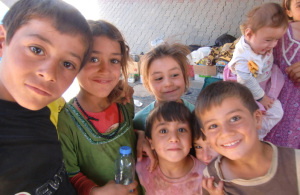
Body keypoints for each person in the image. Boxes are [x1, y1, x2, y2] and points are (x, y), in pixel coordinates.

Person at [0, 0, 92, 194]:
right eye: (36, 49)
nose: (50, 74)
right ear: (2, 41)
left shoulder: (51, 105)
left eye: (67, 64)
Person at [57, 20, 156, 195]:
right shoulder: (66, 120)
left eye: (114, 60)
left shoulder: (124, 102)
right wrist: (95, 191)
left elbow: (126, 136)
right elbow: (71, 173)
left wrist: (138, 134)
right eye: (93, 59)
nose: (105, 70)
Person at [195, 81, 300, 195]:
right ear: (205, 134)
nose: (225, 133)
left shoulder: (295, 164)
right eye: (213, 126)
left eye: (235, 118)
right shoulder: (211, 179)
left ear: (257, 119)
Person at [224, 3, 288, 140]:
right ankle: (255, 136)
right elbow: (245, 79)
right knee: (270, 112)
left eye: (276, 39)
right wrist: (261, 97)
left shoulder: (258, 42)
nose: (273, 45)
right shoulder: (242, 56)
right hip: (246, 89)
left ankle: (257, 133)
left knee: (276, 111)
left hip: (262, 81)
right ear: (249, 34)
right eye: (268, 40)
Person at [136, 101, 210, 195]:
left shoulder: (206, 176)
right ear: (151, 142)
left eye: (181, 130)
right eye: (163, 131)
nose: (174, 138)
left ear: (191, 139)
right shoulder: (139, 169)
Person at [133, 42, 194, 131]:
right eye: (158, 78)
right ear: (147, 84)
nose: (168, 83)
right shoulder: (139, 123)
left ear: (184, 76)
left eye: (174, 75)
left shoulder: (198, 115)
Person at [264, 1, 300, 149]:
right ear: (289, 11)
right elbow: (248, 60)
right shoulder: (279, 34)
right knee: (278, 161)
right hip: (283, 112)